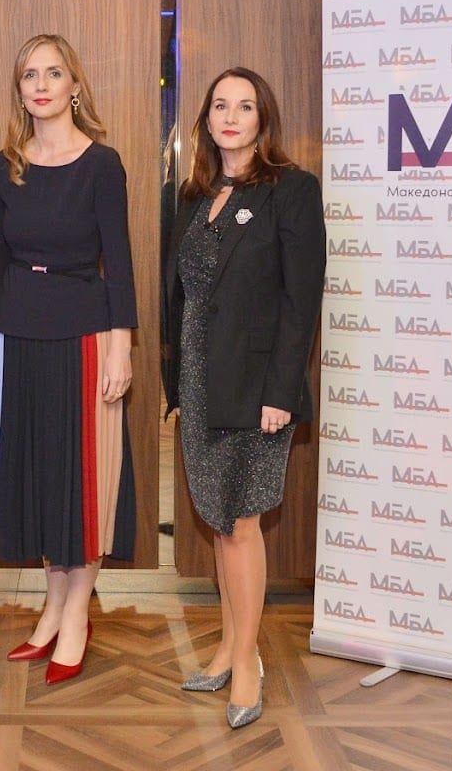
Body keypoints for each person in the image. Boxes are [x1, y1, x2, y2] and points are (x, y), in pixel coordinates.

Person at [164, 67, 325, 729]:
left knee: (241, 523)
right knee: (219, 520)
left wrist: (282, 391)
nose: (231, 117)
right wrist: (176, 386)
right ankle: (230, 646)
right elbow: (180, 298)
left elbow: (300, 300)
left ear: (263, 119)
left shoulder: (291, 191)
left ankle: (249, 662)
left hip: (257, 389)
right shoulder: (192, 196)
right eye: (220, 106)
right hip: (200, 384)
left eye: (245, 106)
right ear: (205, 119)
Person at [0, 34, 137, 685]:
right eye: (29, 75)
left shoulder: (102, 165)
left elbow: (119, 262)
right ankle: (51, 609)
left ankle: (77, 615)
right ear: (19, 90)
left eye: (53, 73)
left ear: (75, 85)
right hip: (19, 337)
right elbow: (0, 262)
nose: (41, 85)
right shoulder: (6, 166)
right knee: (42, 479)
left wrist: (122, 347)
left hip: (86, 337)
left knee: (84, 483)